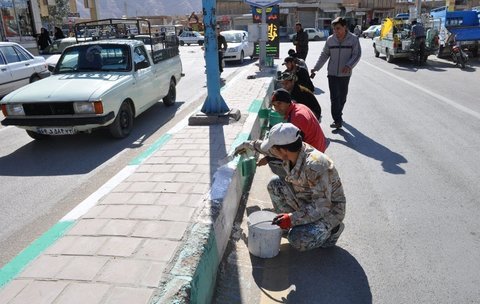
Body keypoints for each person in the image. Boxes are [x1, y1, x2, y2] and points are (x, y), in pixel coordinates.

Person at [235, 123, 346, 251]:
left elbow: (322, 206)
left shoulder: (316, 165)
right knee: (275, 185)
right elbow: (263, 148)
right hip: (305, 198)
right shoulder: (291, 150)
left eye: (274, 148)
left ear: (282, 150)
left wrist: (292, 219)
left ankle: (333, 231)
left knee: (298, 239)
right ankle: (290, 224)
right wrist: (245, 145)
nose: (271, 151)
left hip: (329, 210)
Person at [310, 17, 361, 129]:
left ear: (345, 27)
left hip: (345, 74)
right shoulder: (330, 40)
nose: (336, 31)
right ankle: (337, 120)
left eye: (338, 28)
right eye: (334, 29)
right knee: (334, 97)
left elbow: (356, 54)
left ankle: (338, 114)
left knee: (342, 97)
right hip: (332, 73)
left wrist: (349, 65)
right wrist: (316, 68)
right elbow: (324, 55)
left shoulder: (353, 39)